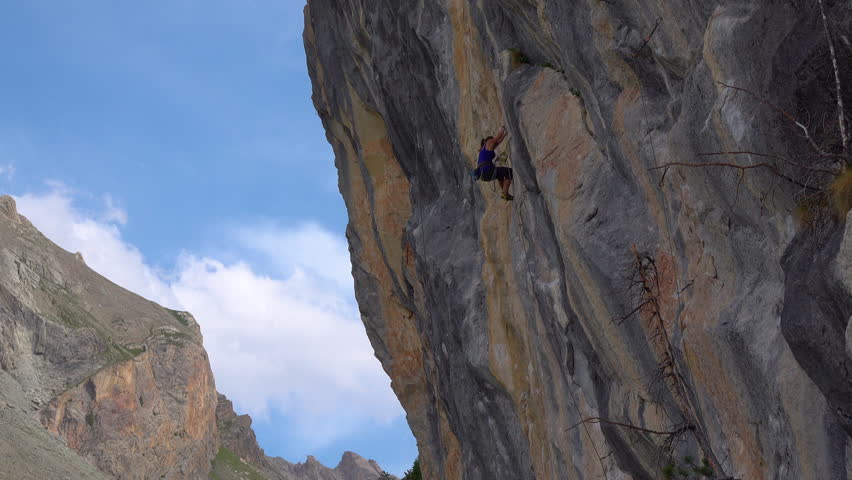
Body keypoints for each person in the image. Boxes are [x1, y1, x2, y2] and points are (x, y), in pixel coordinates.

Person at [475, 126, 514, 201]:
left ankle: (504, 192)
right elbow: (498, 137)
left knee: (500, 176)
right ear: (489, 140)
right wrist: (502, 129)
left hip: (484, 175)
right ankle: (505, 193)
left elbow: (498, 142)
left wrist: (505, 135)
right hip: (488, 171)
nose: (494, 144)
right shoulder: (489, 142)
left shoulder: (484, 149)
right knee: (510, 172)